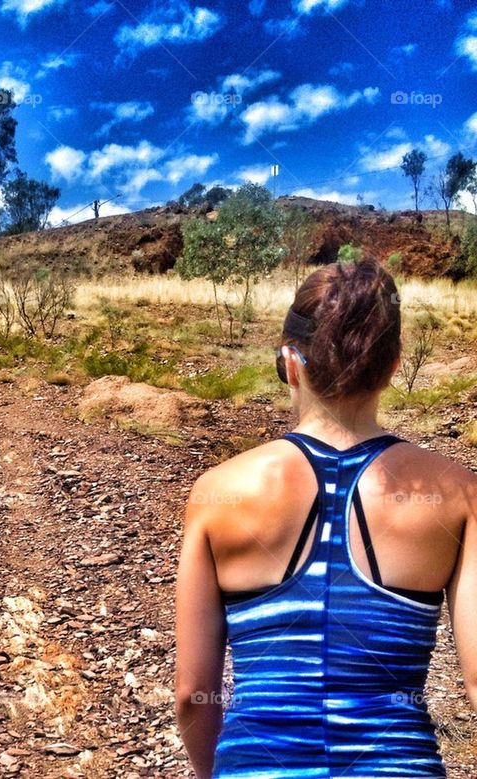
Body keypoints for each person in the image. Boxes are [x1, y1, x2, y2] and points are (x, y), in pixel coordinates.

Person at [174, 258, 477, 778]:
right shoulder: (459, 495)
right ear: (395, 362)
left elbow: (192, 696)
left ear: (290, 362)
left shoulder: (217, 492)